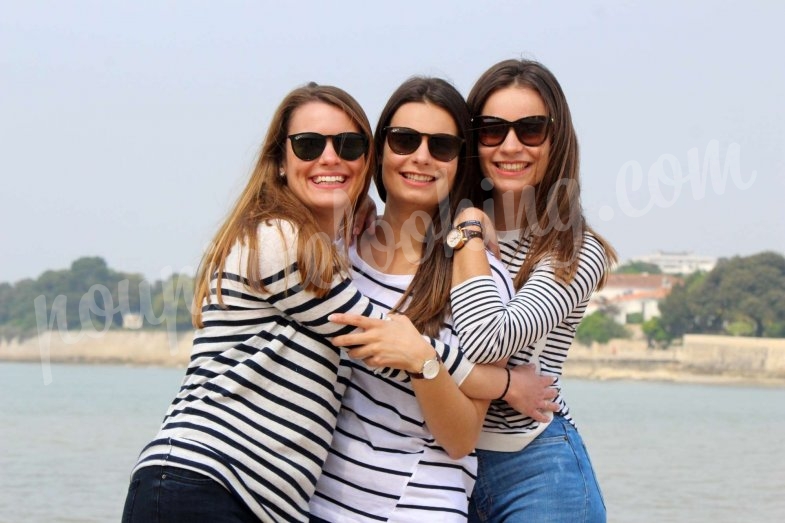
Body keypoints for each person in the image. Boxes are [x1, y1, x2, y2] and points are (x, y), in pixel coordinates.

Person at [121, 82, 384, 523]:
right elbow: (384, 344)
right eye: (308, 144)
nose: (330, 157)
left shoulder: (319, 248)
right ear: (280, 162)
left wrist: (361, 215)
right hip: (207, 485)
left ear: (365, 160)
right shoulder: (283, 239)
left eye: (349, 144)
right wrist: (505, 386)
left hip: (235, 497)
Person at [309, 76, 530, 522]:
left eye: (442, 146)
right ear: (380, 149)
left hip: (416, 507)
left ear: (459, 162)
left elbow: (462, 438)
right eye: (405, 139)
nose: (421, 157)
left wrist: (423, 361)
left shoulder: (477, 275)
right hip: (316, 503)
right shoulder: (336, 252)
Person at [448, 59, 618, 522]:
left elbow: (487, 339)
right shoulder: (424, 228)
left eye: (530, 130)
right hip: (435, 466)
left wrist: (467, 230)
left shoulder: (575, 251)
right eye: (491, 130)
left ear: (555, 138)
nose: (510, 146)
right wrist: (505, 385)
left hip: (536, 467)